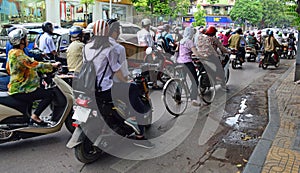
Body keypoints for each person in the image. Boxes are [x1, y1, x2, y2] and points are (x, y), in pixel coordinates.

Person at [6, 28, 60, 126]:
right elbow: (35, 64)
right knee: (49, 94)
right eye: (26, 39)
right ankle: (35, 116)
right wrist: (53, 65)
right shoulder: (18, 55)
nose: (27, 41)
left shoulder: (12, 52)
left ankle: (29, 119)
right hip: (22, 88)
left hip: (20, 87)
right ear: (21, 41)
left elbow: (9, 69)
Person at [177, 26, 204, 106]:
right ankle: (193, 99)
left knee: (181, 80)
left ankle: (177, 97)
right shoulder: (189, 41)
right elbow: (195, 53)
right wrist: (201, 56)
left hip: (180, 62)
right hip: (187, 63)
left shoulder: (181, 41)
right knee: (195, 81)